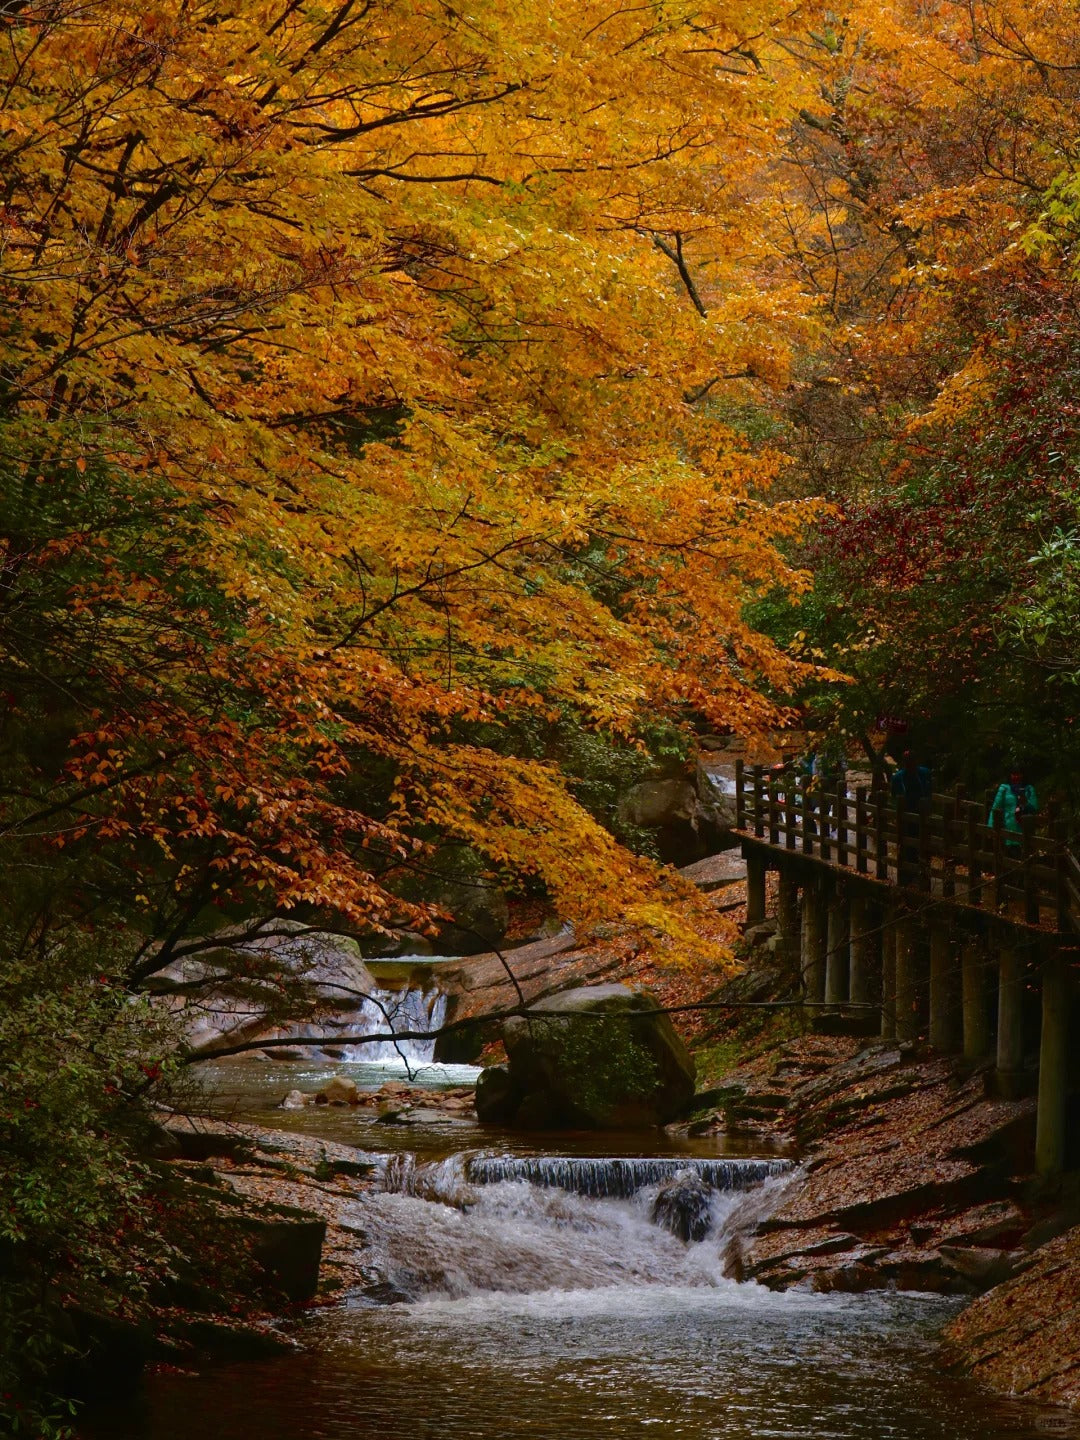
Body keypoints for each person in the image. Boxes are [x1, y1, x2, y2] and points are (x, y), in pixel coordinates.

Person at [989, 767, 1038, 853]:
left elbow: (1034, 809)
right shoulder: (1004, 789)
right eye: (1013, 774)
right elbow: (995, 808)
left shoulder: (1029, 789)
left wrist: (1025, 803)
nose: (1016, 777)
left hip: (1025, 834)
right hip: (1007, 833)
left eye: (1018, 774)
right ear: (1010, 775)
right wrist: (990, 827)